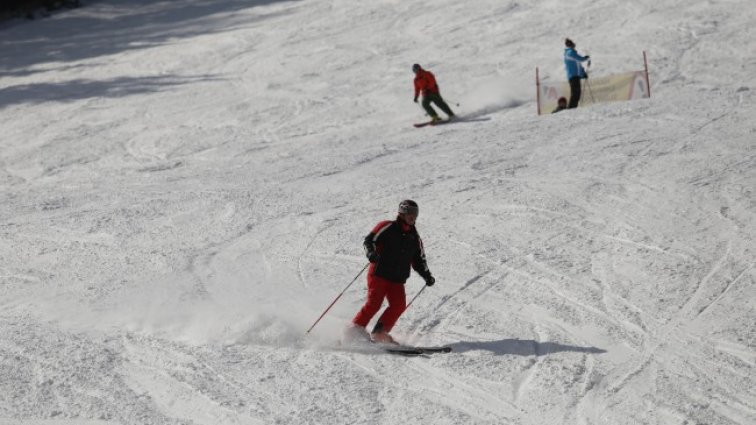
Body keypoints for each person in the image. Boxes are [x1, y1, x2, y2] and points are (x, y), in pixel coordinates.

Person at [345, 200, 435, 345]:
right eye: (410, 213)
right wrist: (371, 254)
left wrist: (427, 275)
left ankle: (380, 333)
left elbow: (419, 260)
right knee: (374, 303)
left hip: (397, 279)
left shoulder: (415, 238)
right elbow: (369, 241)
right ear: (402, 213)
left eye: (415, 214)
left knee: (399, 305)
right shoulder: (387, 226)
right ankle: (353, 331)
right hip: (379, 273)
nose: (413, 217)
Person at [563, 38, 590, 108]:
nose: (574, 46)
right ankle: (571, 108)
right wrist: (585, 58)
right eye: (572, 44)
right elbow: (579, 59)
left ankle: (573, 107)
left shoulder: (572, 53)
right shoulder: (569, 52)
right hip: (572, 76)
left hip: (576, 76)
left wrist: (583, 74)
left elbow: (578, 66)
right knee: (575, 93)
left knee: (577, 93)